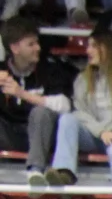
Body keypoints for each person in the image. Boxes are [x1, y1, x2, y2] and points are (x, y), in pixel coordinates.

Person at [36, 26, 112, 191]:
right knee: (68, 119)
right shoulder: (83, 79)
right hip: (95, 135)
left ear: (108, 49)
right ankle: (64, 172)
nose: (88, 51)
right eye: (88, 46)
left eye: (94, 46)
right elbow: (79, 111)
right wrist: (101, 132)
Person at [0, 17, 70, 177]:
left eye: (37, 43)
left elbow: (65, 105)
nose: (38, 48)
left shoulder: (50, 69)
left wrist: (22, 94)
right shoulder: (2, 70)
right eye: (31, 44)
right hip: (9, 135)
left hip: (42, 135)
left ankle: (35, 171)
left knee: (41, 112)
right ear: (15, 48)